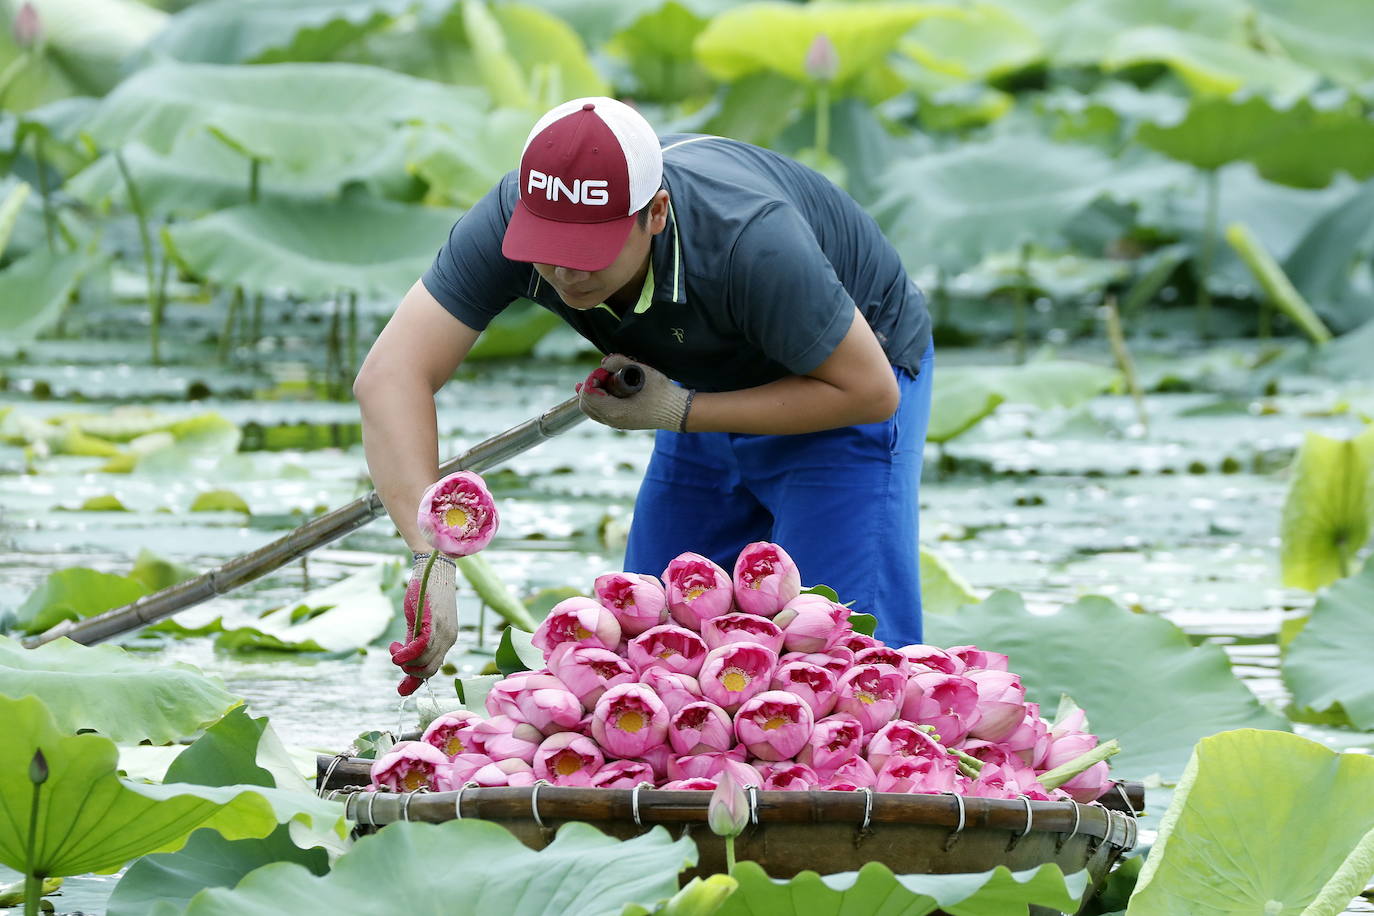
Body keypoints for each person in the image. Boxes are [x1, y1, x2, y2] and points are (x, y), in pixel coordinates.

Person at [354, 97, 934, 691]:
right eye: (548, 249)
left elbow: (868, 391)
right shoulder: (510, 221)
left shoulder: (750, 239)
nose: (565, 273)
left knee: (840, 667)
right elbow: (390, 376)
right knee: (649, 652)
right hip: (695, 379)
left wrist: (679, 411)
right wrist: (432, 558)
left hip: (838, 385)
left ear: (655, 213)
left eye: (587, 254)